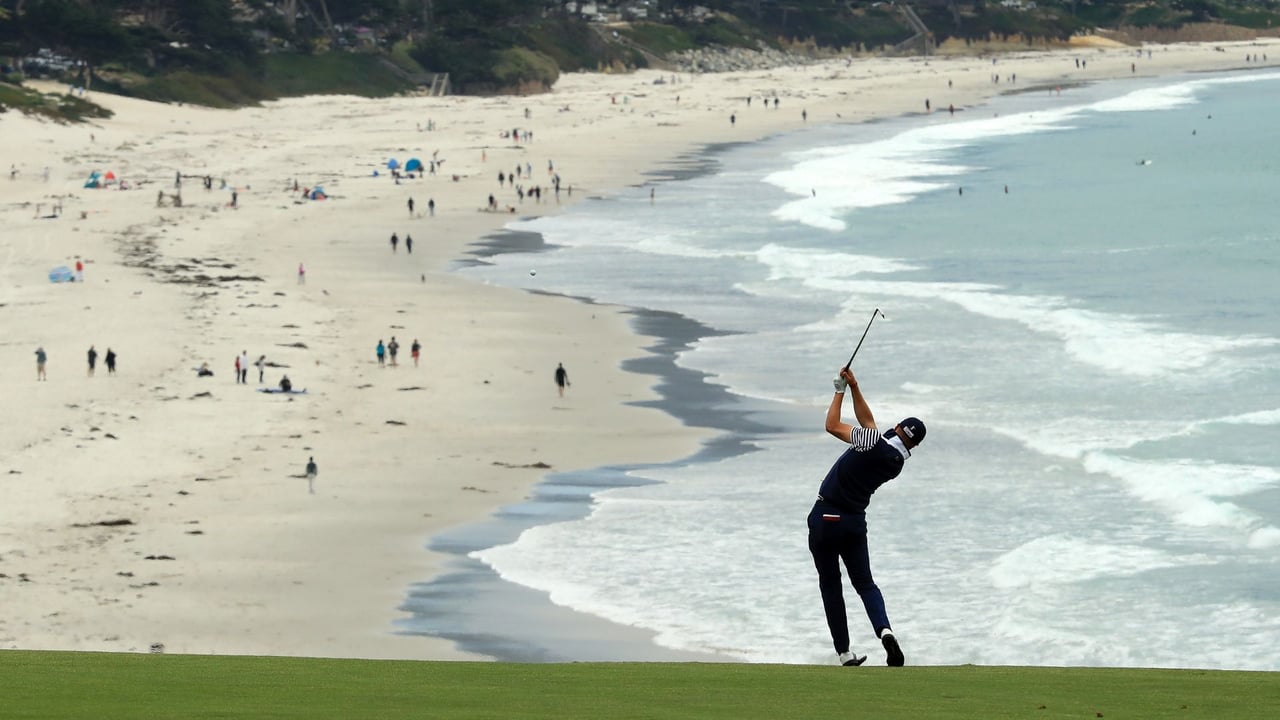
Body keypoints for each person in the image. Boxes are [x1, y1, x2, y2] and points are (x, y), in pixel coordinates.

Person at [808, 366, 926, 667]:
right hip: (854, 523)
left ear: (897, 426)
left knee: (831, 584)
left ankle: (845, 653)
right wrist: (855, 386)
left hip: (825, 517)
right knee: (865, 584)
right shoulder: (895, 460)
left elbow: (832, 425)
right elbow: (868, 422)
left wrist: (839, 391)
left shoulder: (872, 442)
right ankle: (885, 631)